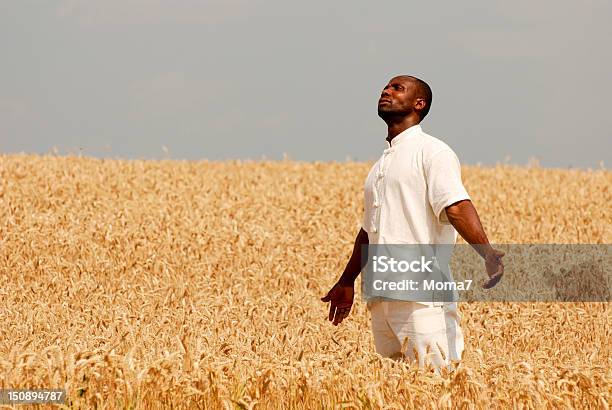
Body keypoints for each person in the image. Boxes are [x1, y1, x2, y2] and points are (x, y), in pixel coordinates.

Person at [321, 75, 505, 368]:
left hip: (422, 295)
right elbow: (370, 229)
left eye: (397, 88)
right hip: (381, 297)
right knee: (396, 390)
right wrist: (347, 281)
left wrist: (488, 253)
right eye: (386, 87)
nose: (386, 90)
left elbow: (456, 206)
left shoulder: (432, 151)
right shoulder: (380, 165)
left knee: (436, 381)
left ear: (419, 104)